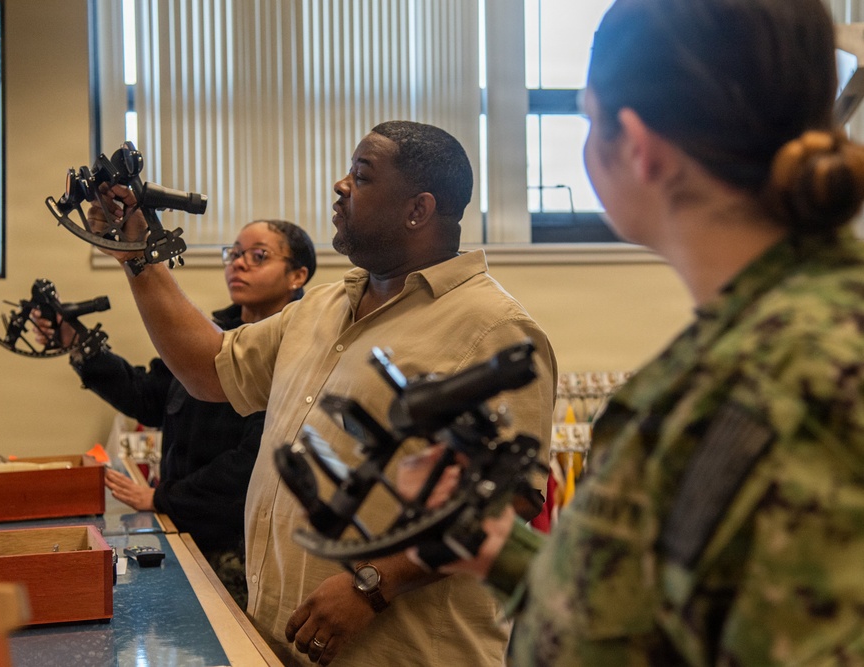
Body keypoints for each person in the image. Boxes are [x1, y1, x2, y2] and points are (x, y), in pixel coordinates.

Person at [398, 0, 864, 664]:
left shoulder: (774, 383)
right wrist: (495, 544)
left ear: (638, 147)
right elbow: (666, 613)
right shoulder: (761, 344)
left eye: (587, 119)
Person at [88, 121, 557, 666]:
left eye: (360, 175)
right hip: (279, 641)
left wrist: (374, 583)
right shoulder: (321, 307)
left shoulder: (493, 328)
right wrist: (137, 254)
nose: (339, 185)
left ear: (418, 209)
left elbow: (513, 498)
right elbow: (208, 369)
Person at [39, 219, 316, 608]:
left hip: (242, 551)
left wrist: (161, 498)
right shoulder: (211, 336)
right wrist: (79, 344)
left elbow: (252, 465)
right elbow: (148, 399)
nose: (238, 264)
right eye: (233, 254)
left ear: (297, 275)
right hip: (183, 531)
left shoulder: (300, 350)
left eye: (258, 256)